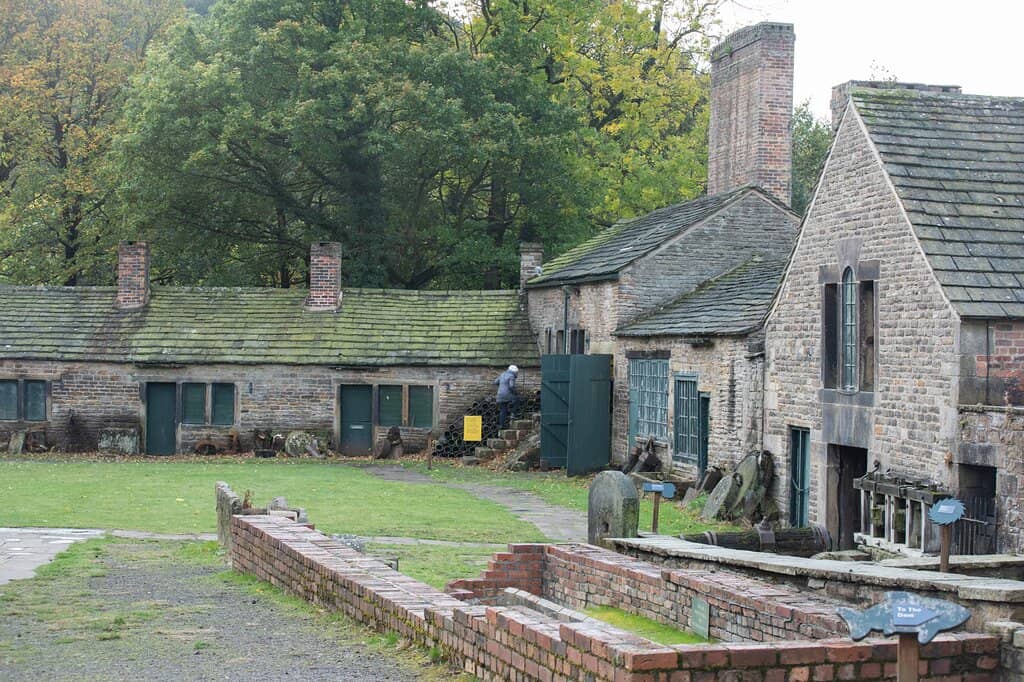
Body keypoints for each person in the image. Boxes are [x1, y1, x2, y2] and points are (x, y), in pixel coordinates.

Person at [494, 364, 519, 430]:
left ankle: (501, 425)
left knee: (503, 410)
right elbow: (511, 386)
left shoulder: (502, 374)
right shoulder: (511, 376)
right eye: (516, 372)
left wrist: (502, 386)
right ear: (514, 371)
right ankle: (513, 414)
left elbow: (495, 382)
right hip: (507, 394)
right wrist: (515, 392)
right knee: (517, 399)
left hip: (499, 395)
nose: (517, 374)